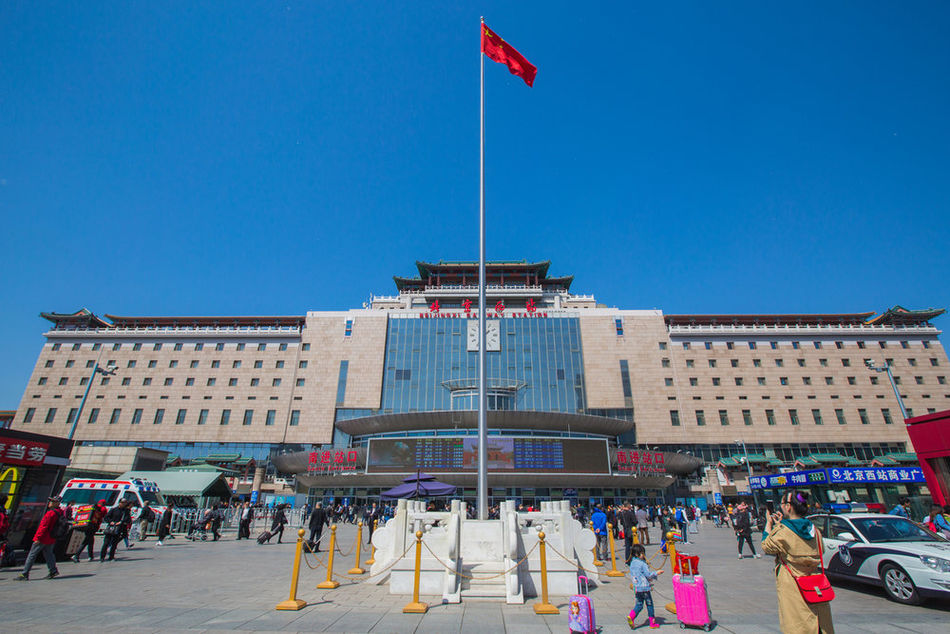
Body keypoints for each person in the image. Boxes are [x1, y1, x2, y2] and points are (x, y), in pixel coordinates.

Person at [762, 490, 834, 634]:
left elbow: (766, 546)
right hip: (815, 583)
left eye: (782, 503)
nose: (781, 506)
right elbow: (822, 550)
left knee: (797, 622)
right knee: (820, 622)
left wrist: (769, 525)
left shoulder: (783, 531)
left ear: (788, 507)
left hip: (793, 583)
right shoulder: (815, 530)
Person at [15, 496, 65, 580]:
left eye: (52, 501)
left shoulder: (50, 513)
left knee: (32, 555)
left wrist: (37, 538)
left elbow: (43, 527)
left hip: (43, 538)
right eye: (50, 501)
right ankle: (53, 570)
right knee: (49, 554)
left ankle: (25, 573)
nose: (50, 503)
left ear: (57, 503)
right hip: (51, 537)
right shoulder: (60, 512)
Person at [626, 543, 663, 629]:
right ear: (637, 554)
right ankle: (652, 622)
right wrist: (657, 573)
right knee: (649, 604)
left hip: (637, 587)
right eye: (642, 553)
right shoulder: (642, 564)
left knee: (639, 604)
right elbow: (648, 574)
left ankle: (631, 616)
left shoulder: (632, 563)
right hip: (645, 587)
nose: (643, 555)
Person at [72, 499, 108, 563]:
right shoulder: (103, 509)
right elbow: (104, 515)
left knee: (91, 541)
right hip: (93, 526)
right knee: (86, 541)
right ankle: (76, 555)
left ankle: (91, 556)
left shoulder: (92, 507)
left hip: (88, 525)